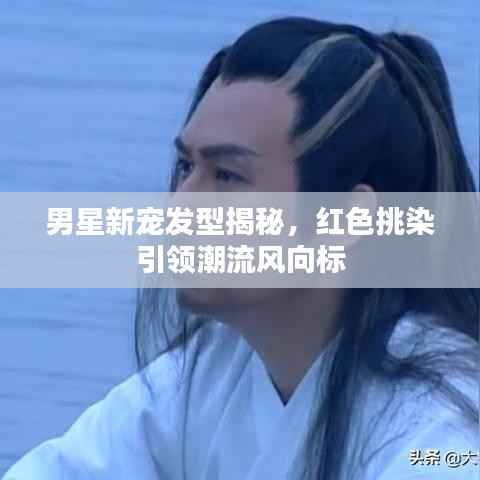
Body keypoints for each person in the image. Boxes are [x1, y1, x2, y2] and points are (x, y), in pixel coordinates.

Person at [4, 17, 479, 480]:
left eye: (227, 176)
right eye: (186, 168)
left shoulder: (446, 432)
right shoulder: (211, 374)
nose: (181, 205)